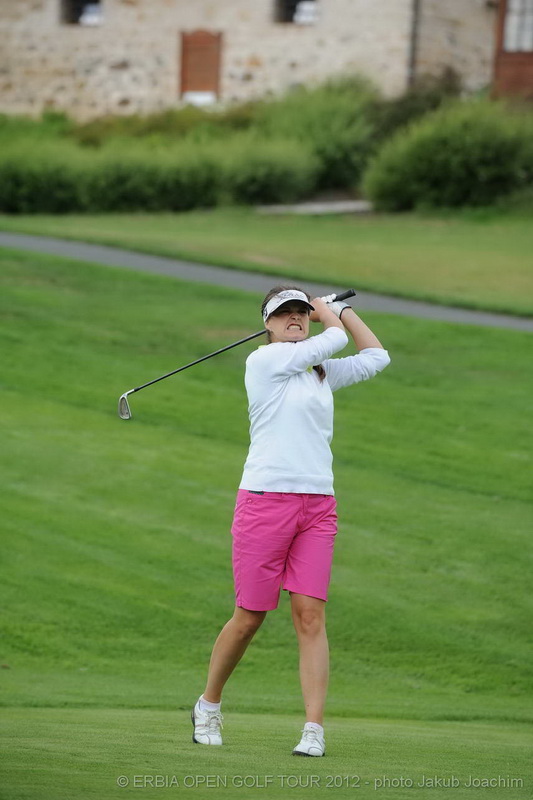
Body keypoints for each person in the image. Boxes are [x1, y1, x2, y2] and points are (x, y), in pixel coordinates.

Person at [191, 286, 391, 756]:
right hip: (265, 501)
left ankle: (313, 729)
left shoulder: (317, 372)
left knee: (311, 615)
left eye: (302, 311)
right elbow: (334, 340)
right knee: (250, 616)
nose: (297, 318)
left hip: (318, 504)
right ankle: (208, 704)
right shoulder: (264, 361)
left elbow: (376, 358)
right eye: (286, 313)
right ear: (268, 323)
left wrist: (342, 310)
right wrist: (327, 316)